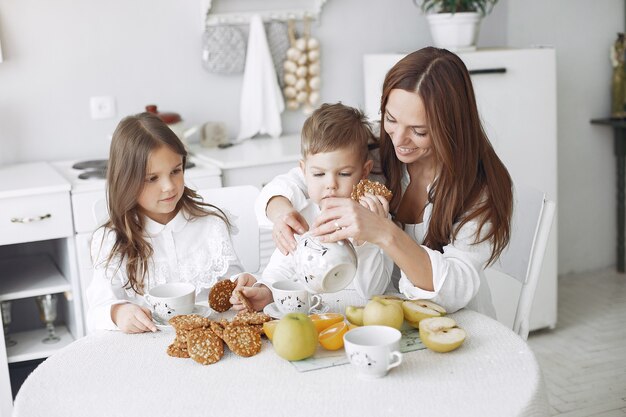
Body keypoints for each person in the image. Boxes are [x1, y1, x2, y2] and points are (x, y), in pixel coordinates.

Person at [255, 47, 513, 318]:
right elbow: (299, 179)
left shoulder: (478, 189)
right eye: (391, 119)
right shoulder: (375, 150)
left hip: (455, 323)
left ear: (450, 128)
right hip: (387, 318)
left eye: (419, 131)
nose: (398, 140)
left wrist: (383, 232)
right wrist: (281, 212)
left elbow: (454, 291)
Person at [87, 112, 251, 333]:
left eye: (175, 171)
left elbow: (233, 283)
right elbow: (98, 309)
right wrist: (118, 313)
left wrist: (244, 286)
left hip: (209, 340)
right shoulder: (111, 241)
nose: (169, 186)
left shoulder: (211, 226)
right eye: (152, 178)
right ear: (126, 180)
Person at [230, 103, 394, 311]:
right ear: (303, 171)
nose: (330, 184)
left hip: (361, 322)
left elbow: (372, 291)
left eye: (344, 174)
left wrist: (365, 241)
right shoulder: (303, 215)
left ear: (364, 172)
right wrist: (266, 290)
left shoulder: (376, 218)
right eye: (318, 174)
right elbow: (281, 269)